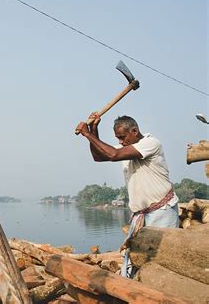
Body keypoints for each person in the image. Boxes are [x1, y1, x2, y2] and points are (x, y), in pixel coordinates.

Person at [75, 114, 179, 277]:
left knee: (162, 260)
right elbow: (98, 156)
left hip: (161, 212)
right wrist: (94, 130)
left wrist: (87, 134)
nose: (121, 142)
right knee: (132, 260)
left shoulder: (150, 143)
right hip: (141, 214)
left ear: (135, 131)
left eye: (123, 137)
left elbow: (112, 155)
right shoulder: (125, 149)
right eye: (118, 138)